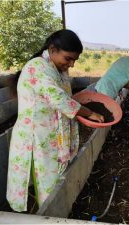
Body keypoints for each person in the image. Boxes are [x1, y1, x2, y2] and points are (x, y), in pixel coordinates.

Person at [6, 29, 104, 212]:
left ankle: (47, 208)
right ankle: (47, 214)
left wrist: (78, 107)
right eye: (68, 59)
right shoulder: (38, 67)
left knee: (50, 176)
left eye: (75, 60)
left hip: (51, 132)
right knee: (46, 178)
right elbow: (59, 99)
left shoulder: (55, 68)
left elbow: (65, 96)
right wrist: (88, 113)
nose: (72, 64)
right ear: (52, 50)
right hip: (36, 136)